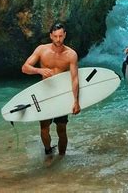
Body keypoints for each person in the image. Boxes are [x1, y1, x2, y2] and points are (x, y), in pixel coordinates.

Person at [21, 21, 80, 156]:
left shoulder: (71, 55)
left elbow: (75, 79)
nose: (58, 39)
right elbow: (25, 68)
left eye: (60, 36)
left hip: (61, 95)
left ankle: (62, 157)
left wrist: (76, 101)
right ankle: (48, 151)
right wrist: (39, 71)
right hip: (45, 95)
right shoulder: (42, 50)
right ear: (51, 36)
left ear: (65, 35)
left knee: (61, 129)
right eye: (55, 36)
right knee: (44, 129)